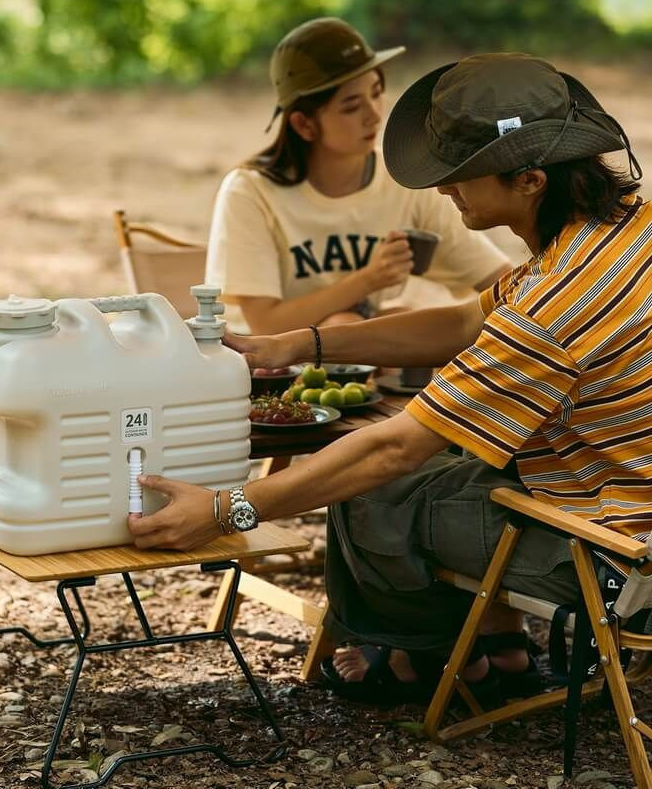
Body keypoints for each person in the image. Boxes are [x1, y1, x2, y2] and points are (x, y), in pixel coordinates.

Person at [130, 52, 647, 703]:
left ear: (529, 180)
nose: (442, 189)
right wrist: (300, 344)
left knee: (367, 492)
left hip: (607, 557)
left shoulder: (556, 307)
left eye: (460, 174)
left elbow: (395, 448)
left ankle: (421, 659)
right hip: (628, 508)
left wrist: (225, 509)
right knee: (427, 466)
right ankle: (482, 648)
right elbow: (465, 320)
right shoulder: (620, 234)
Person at [204, 17, 510, 335]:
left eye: (376, 93)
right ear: (303, 125)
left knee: (399, 318)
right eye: (351, 106)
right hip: (272, 374)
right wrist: (368, 280)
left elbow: (497, 278)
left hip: (369, 360)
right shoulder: (251, 192)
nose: (374, 114)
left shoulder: (403, 182)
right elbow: (265, 324)